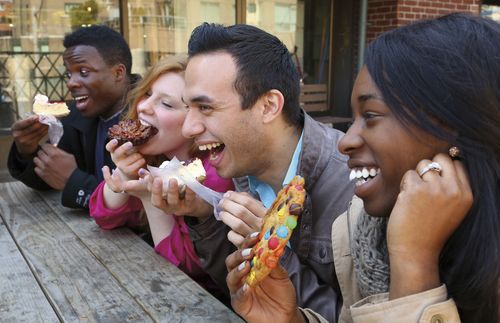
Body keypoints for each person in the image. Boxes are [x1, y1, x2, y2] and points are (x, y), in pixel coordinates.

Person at [226, 13, 500, 323]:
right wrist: (289, 320)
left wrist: (413, 263)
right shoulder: (363, 231)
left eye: (371, 115)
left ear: (454, 128)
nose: (345, 142)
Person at [147, 23, 354, 320]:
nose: (188, 128)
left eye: (205, 108)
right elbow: (243, 296)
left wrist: (272, 251)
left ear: (268, 106)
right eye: (187, 108)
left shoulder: (354, 189)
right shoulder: (241, 168)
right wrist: (204, 216)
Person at [88, 56, 234, 291]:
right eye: (147, 94)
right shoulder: (156, 157)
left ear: (197, 119)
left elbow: (184, 269)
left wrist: (149, 198)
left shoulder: (215, 175)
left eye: (166, 104)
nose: (143, 107)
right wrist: (125, 174)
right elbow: (103, 217)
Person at [8, 25, 140, 209]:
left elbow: (139, 206)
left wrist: (74, 181)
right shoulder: (76, 117)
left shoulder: (149, 119)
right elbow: (47, 180)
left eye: (83, 72)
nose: (71, 83)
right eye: (68, 74)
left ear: (118, 73)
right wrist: (26, 150)